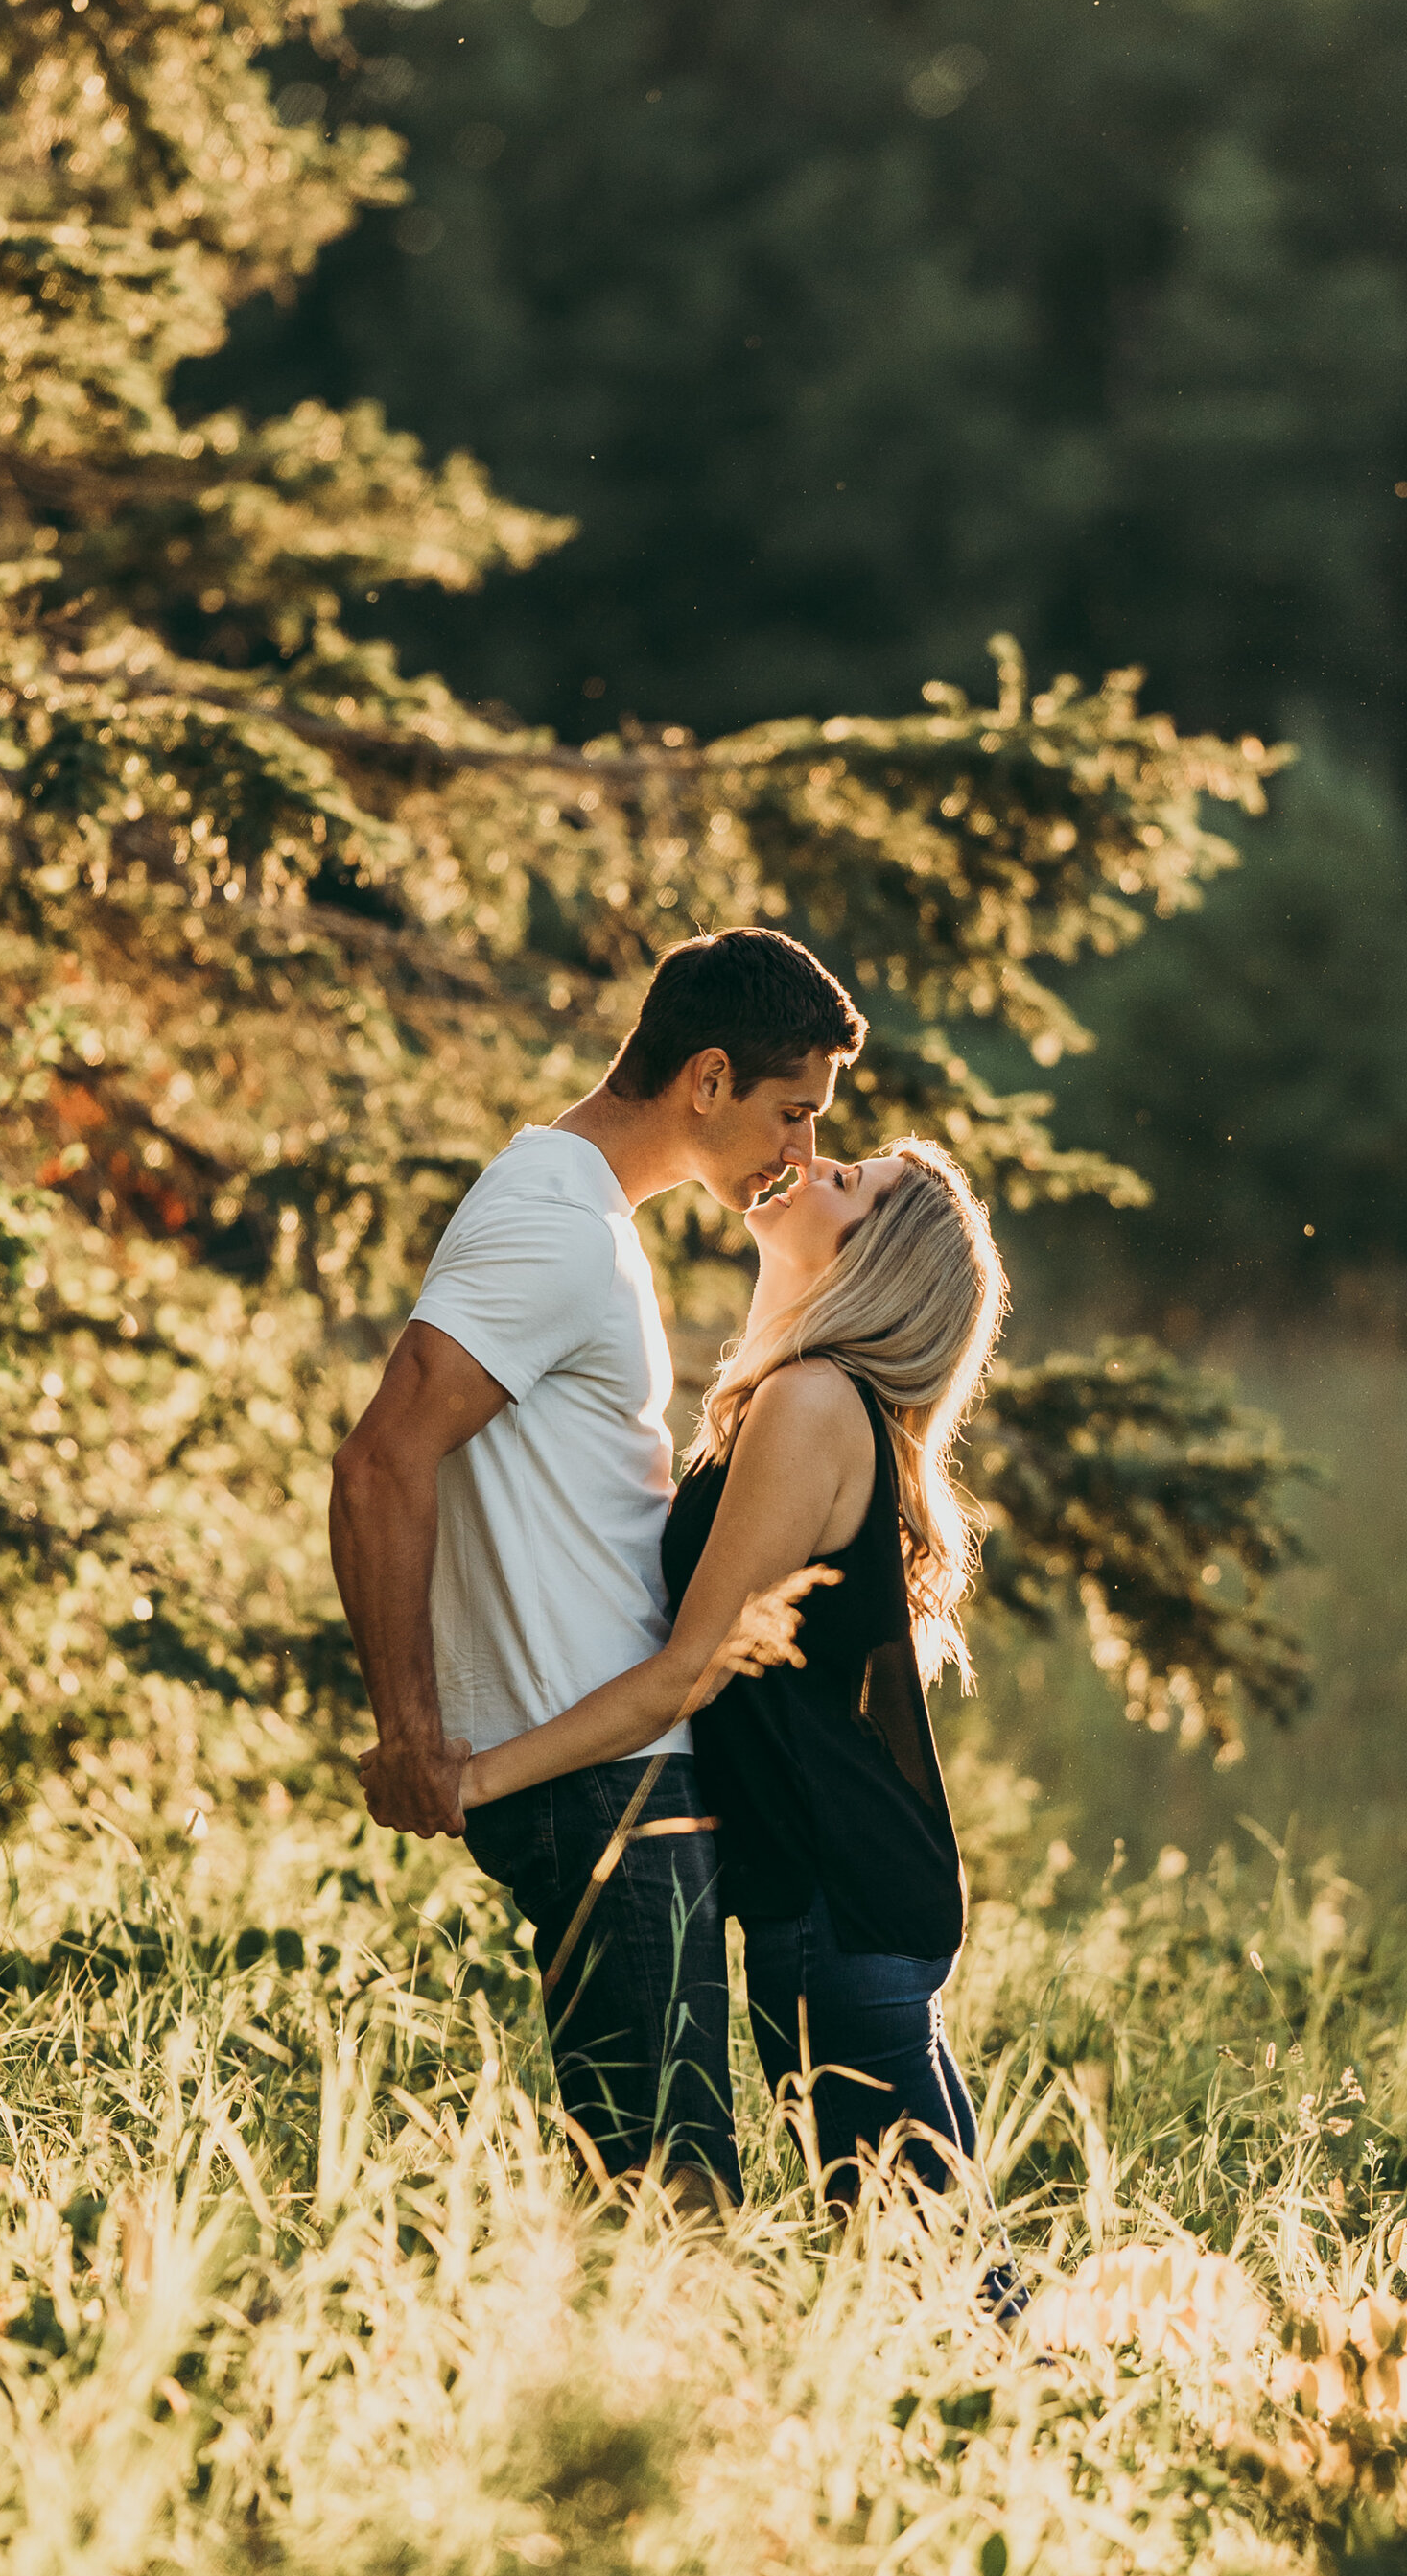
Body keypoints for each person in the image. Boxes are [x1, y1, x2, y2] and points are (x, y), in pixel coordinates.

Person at [332, 927, 865, 2198]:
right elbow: (381, 1458)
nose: (801, 1153)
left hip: (617, 1762)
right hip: (597, 1782)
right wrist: (409, 1726)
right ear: (708, 1077)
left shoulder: (589, 1218)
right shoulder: (551, 1217)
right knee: (680, 2200)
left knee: (657, 2184)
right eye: (793, 1114)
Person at [451, 1133, 1005, 2215]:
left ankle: (1063, 2384)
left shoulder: (810, 1405)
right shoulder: (795, 1395)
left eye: (853, 1183)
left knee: (932, 2283)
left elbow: (682, 1676)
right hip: (846, 1898)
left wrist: (478, 1778)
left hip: (836, 1902)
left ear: (878, 1264)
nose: (820, 1162)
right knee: (924, 2271)